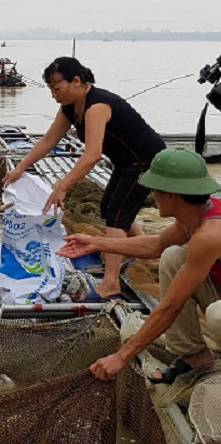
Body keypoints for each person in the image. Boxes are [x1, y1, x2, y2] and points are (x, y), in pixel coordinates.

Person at [2, 57, 166, 302]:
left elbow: (92, 156)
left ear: (76, 81)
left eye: (57, 88)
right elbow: (49, 141)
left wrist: (63, 185)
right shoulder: (70, 107)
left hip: (145, 160)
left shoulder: (97, 105)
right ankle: (146, 253)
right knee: (109, 206)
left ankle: (110, 283)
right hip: (125, 161)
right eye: (50, 89)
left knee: (117, 215)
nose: (54, 94)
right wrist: (20, 168)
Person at [57, 148, 221, 383]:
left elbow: (170, 307)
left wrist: (121, 356)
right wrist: (94, 243)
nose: (152, 195)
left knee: (217, 315)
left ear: (172, 195)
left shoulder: (210, 234)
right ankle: (194, 355)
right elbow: (155, 245)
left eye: (155, 189)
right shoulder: (195, 217)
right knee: (173, 256)